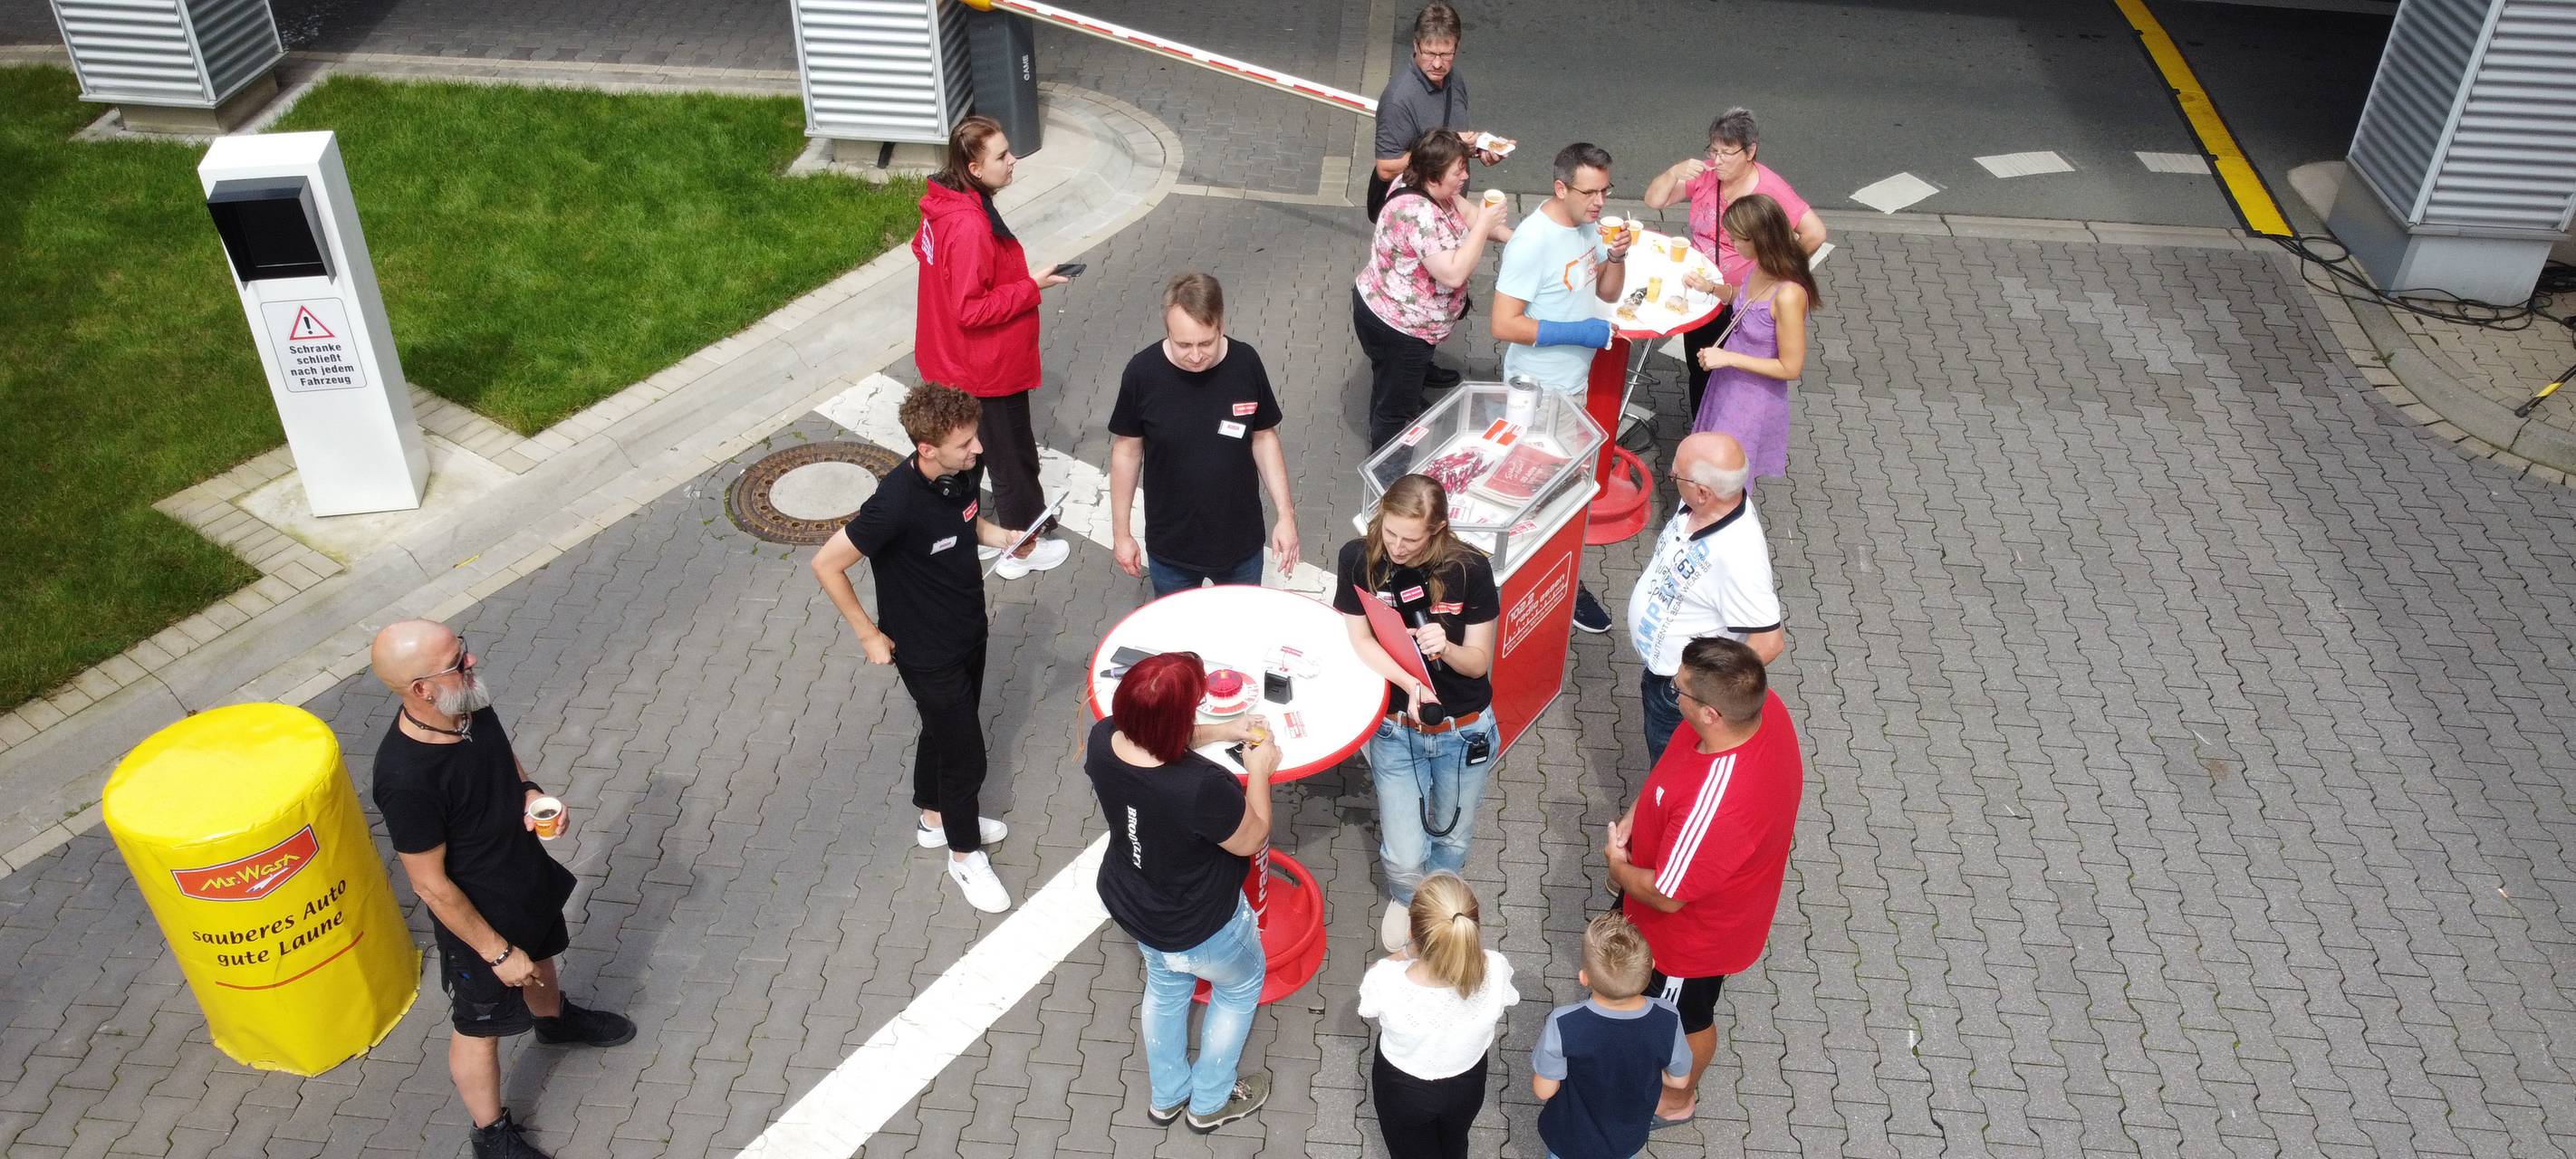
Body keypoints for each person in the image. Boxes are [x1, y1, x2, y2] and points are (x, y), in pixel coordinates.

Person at [368, 620, 636, 1159]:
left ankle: (554, 1021)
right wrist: (497, 952)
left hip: (523, 877)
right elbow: (430, 885)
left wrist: (531, 795)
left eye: (462, 649)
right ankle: (490, 1135)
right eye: (457, 660)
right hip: (477, 919)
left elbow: (505, 760)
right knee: (478, 1026)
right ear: (422, 689)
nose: (471, 662)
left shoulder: (468, 704)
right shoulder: (405, 778)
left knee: (545, 953)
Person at [810, 383, 1042, 914]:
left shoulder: (958, 477)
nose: (977, 449)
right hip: (925, 651)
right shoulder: (893, 504)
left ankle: (935, 818)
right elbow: (826, 564)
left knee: (944, 732)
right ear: (926, 448)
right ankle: (964, 856)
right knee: (967, 757)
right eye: (965, 444)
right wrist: (869, 634)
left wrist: (1005, 536)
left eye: (975, 438)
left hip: (968, 630)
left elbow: (966, 525)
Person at [1604, 637, 1805, 1127]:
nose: (1673, 693)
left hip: (1685, 942)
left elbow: (1669, 896)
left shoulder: (1718, 806)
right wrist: (1636, 815)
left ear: (1712, 714)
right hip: (1680, 891)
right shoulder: (1762, 707)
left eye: (1681, 693)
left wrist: (1617, 869)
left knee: (1682, 1020)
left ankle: (1676, 1101)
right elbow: (1673, 773)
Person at [1083, 653, 1279, 1134]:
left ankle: (1167, 1096)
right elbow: (1251, 838)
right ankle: (1209, 1103)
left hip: (1135, 904)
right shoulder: (1201, 786)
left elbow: (1158, 735)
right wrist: (1259, 771)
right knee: (1237, 991)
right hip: (1203, 923)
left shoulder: (1105, 737)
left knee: (1166, 990)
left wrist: (1225, 729)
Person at [1333, 474, 1502, 953]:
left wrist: (1444, 647)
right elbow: (1360, 638)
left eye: (1411, 538)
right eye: (1389, 533)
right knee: (1405, 851)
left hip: (1462, 731)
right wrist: (1410, 683)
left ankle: (1438, 907)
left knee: (1452, 841)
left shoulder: (1469, 569)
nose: (1397, 547)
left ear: (1438, 529)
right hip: (1396, 729)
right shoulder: (1358, 558)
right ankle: (1408, 897)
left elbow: (1478, 662)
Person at [912, 113, 1072, 580]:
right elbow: (971, 309)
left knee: (966, 461)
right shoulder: (970, 225)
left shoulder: (941, 206)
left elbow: (929, 263)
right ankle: (1022, 546)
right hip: (984, 368)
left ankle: (966, 535)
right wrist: (1030, 285)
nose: (1012, 160)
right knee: (1011, 459)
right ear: (974, 169)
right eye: (1001, 155)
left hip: (947, 359)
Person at [1492, 141, 1631, 634]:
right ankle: (1537, 587)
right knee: (1537, 494)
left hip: (1571, 386)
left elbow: (1606, 292)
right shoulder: (1533, 242)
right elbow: (1503, 324)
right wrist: (1577, 333)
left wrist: (1615, 256)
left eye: (1605, 190)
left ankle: (1551, 580)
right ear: (1560, 187)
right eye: (1589, 192)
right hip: (1537, 391)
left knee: (1561, 493)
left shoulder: (1589, 225)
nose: (1599, 202)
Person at [1109, 273, 1301, 597]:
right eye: (1183, 344)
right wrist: (1121, 534)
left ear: (1221, 326)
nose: (1195, 356)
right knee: (1178, 642)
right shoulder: (1142, 373)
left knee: (1239, 630)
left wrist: (1286, 515)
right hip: (1172, 550)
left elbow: (1264, 438)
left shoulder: (1246, 363)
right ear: (1166, 331)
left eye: (1205, 343)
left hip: (1240, 545)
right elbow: (1126, 454)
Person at [1641, 108, 1827, 417]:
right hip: (1703, 290)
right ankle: (1701, 432)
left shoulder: (1771, 189)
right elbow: (1654, 200)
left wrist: (1773, 272)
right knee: (1700, 367)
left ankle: (1726, 440)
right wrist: (1674, 171)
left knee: (1733, 376)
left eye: (1728, 153)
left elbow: (1815, 233)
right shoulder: (1706, 176)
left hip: (1741, 296)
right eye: (1714, 151)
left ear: (1751, 151)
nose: (1718, 161)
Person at [1627, 432, 1785, 762]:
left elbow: (1769, 642)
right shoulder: (1706, 504)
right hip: (1666, 677)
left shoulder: (1739, 555)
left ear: (1703, 492)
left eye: (1675, 476)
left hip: (1678, 692)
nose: (1671, 479)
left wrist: (1698, 689)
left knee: (1669, 768)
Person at [1355, 129, 1512, 446]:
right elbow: (1453, 274)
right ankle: (1390, 477)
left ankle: (1404, 395)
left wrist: (1516, 238)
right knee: (1393, 412)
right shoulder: (1419, 216)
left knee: (1391, 381)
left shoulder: (1427, 186)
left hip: (1388, 311)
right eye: (1459, 171)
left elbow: (1466, 214)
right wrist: (1484, 224)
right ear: (1434, 175)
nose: (1465, 176)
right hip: (1400, 328)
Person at [1357, 872, 1520, 1159]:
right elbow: (1507, 996)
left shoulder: (1386, 979)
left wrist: (1405, 952)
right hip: (1468, 1082)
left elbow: (1368, 1006)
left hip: (1404, 1087)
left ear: (1413, 933)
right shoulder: (1495, 968)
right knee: (1456, 1141)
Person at [1530, 912, 1692, 1159]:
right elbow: (1680, 1081)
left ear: (1584, 977)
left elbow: (1544, 1090)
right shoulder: (1668, 1018)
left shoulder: (1565, 1023)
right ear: (1651, 967)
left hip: (1570, 1137)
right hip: (1626, 1139)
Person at [1687, 195, 1817, 482]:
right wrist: (1710, 287)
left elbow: (1790, 367)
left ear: (1759, 239)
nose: (1731, 244)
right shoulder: (1760, 267)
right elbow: (1742, 298)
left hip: (1752, 398)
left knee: (1724, 476)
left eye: (1737, 239)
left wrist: (1727, 357)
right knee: (1710, 462)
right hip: (1728, 383)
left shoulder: (1789, 295)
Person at [1370, 2, 1504, 231]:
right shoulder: (1399, 100)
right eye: (1430, 53)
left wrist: (1479, 148)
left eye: (1446, 54)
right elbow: (1386, 167)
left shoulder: (1455, 78)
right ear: (1416, 45)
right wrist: (1453, 147)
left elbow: (1450, 139)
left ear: (1456, 47)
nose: (1438, 63)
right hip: (1417, 221)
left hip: (1450, 210)